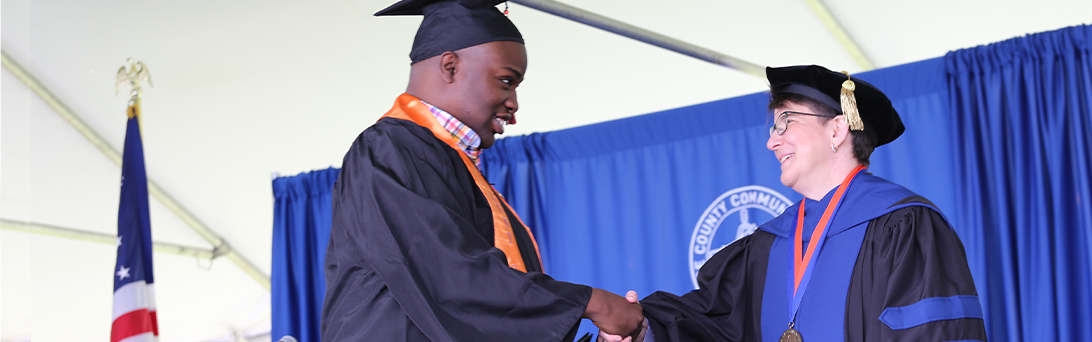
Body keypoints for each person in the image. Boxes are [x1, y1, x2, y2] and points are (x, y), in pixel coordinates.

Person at [321, 0, 644, 340]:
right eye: (506, 81)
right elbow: (451, 278)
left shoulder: (455, 167)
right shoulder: (390, 149)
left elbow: (495, 318)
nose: (514, 105)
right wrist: (594, 304)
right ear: (450, 67)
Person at [602, 65, 986, 342]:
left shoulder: (903, 226)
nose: (773, 141)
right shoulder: (767, 245)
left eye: (785, 121)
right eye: (773, 127)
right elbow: (713, 324)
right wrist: (641, 326)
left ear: (837, 129)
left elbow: (938, 332)